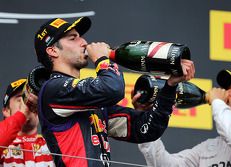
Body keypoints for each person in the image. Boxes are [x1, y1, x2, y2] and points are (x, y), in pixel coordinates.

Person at [34, 17, 195, 166]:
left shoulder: (88, 101)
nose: (83, 42)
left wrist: (170, 86)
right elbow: (112, 88)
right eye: (73, 38)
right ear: (53, 51)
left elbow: (146, 130)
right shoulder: (53, 90)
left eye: (81, 36)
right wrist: (102, 60)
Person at [138, 69, 231, 167]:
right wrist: (146, 118)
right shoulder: (211, 147)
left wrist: (217, 102)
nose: (228, 92)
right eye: (228, 88)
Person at [0, 78, 55, 166]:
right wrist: (21, 114)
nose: (28, 102)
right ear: (6, 111)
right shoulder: (4, 148)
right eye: (20, 99)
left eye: (32, 99)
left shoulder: (54, 145)